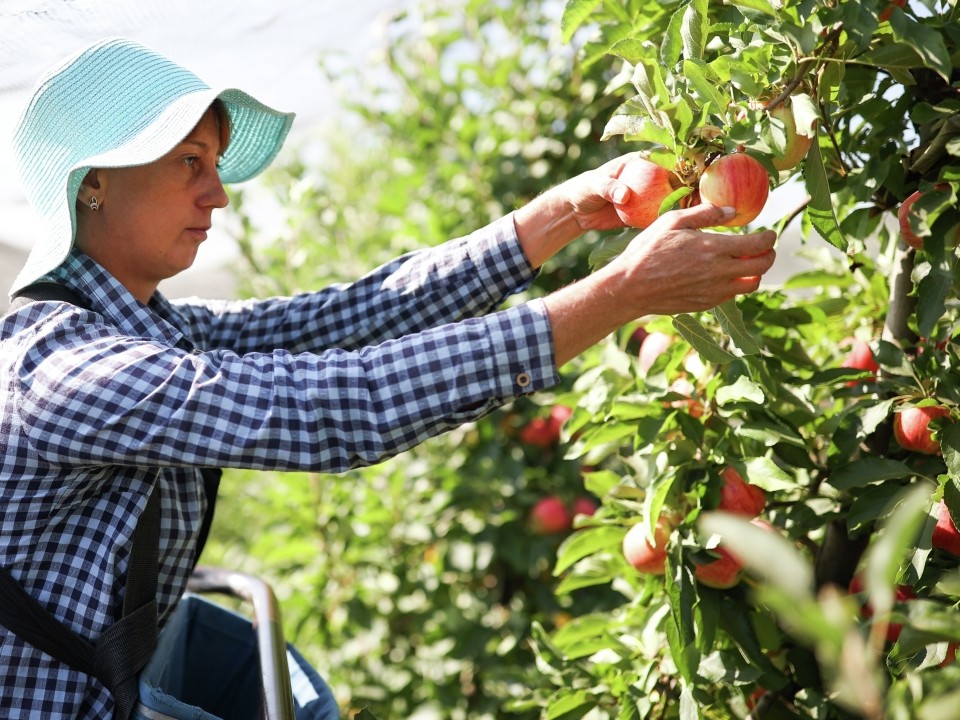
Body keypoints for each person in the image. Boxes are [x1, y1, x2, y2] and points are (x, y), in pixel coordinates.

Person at [0, 37, 777, 720]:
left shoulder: (152, 330)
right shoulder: (62, 368)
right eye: (188, 163)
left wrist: (557, 218)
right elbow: (335, 408)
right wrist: (620, 293)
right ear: (93, 180)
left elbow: (347, 318)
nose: (218, 193)